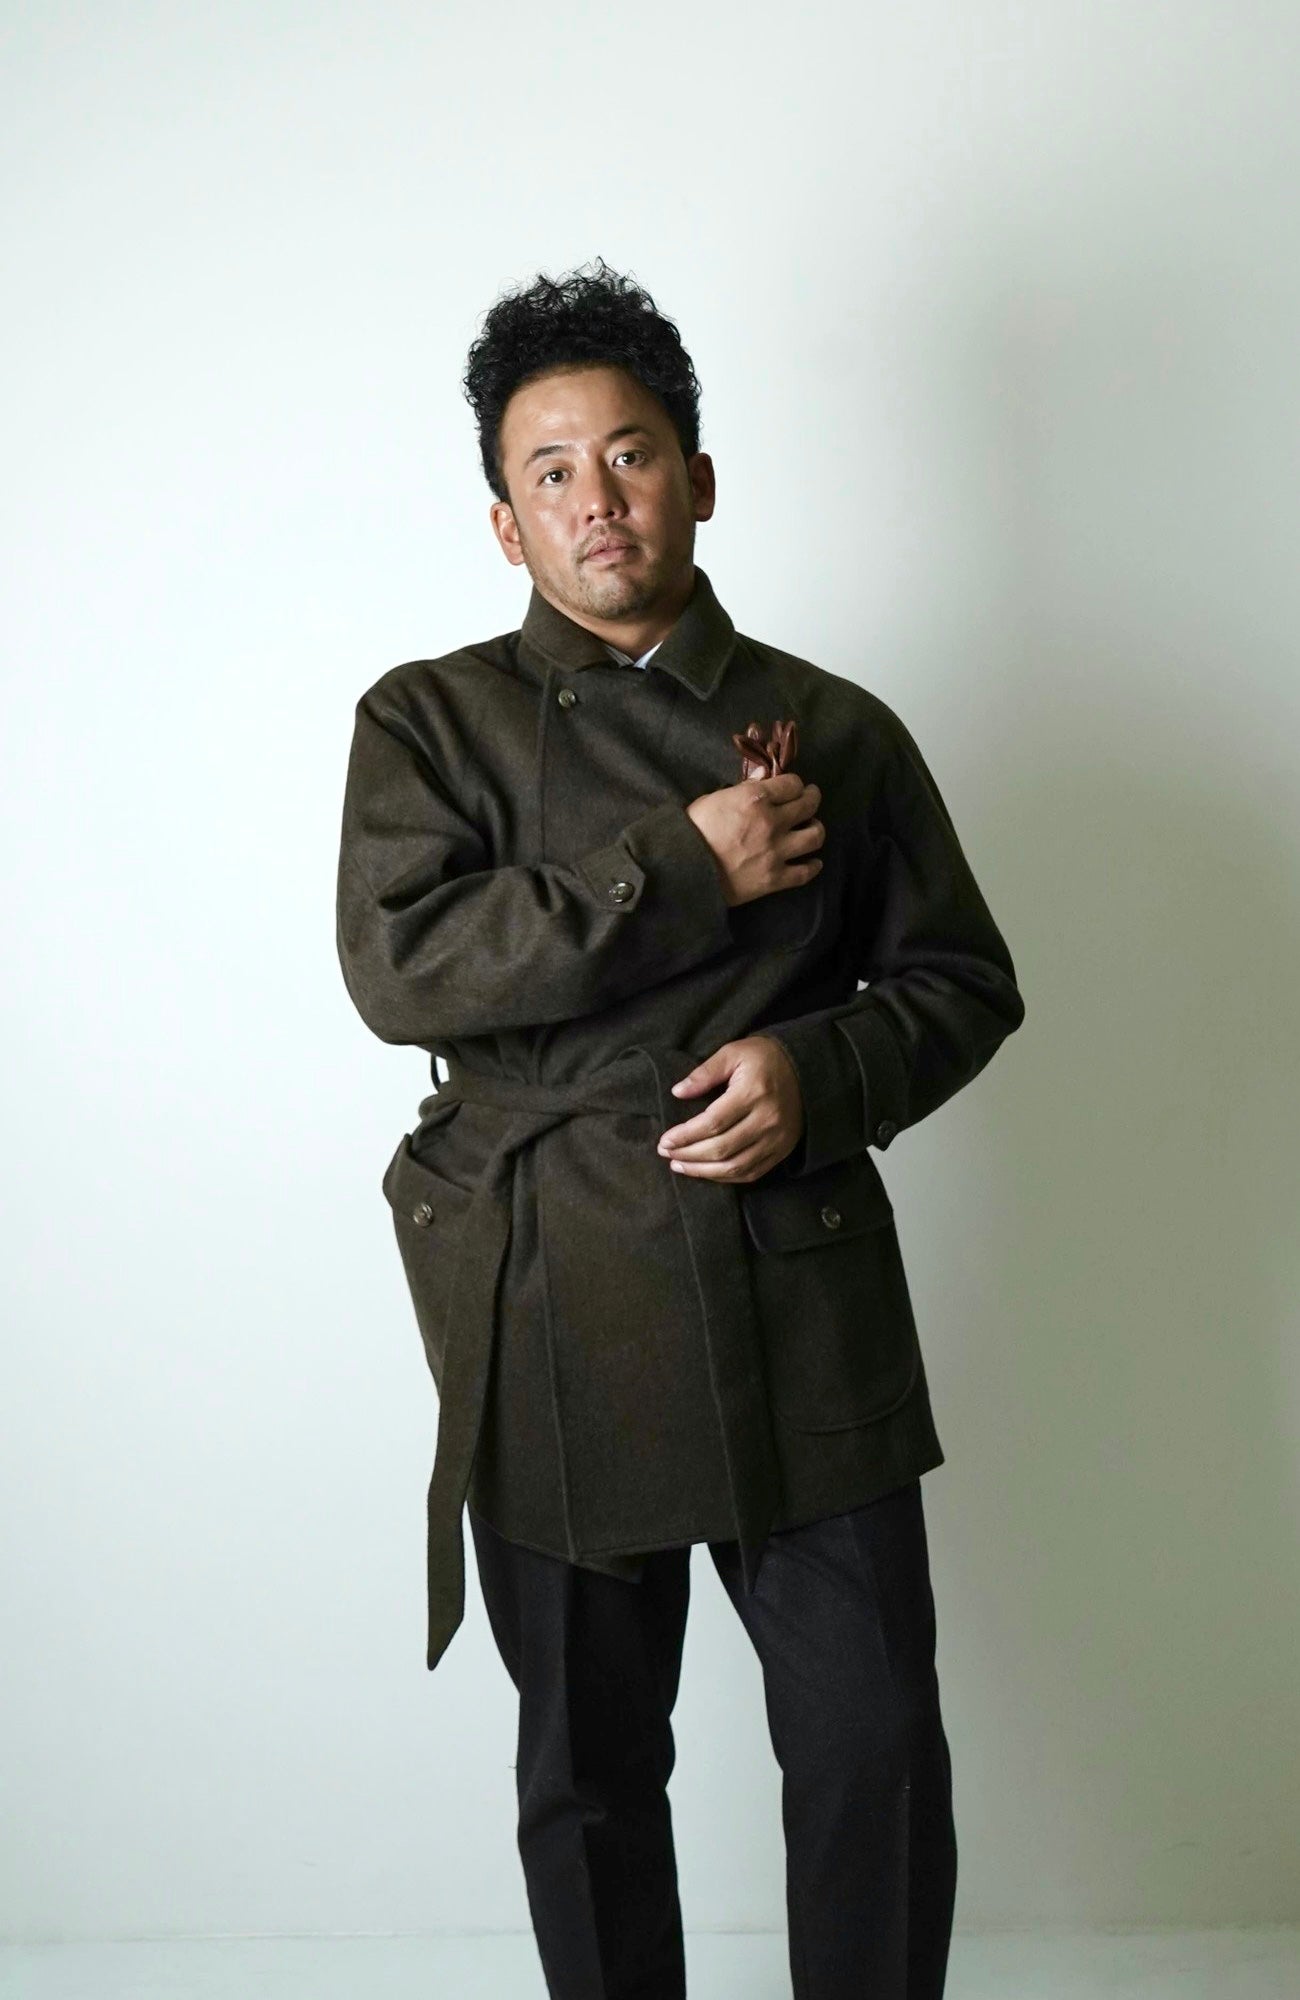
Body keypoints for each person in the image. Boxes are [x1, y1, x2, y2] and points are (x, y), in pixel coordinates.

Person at [334, 256, 1026, 2000]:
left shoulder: (839, 727)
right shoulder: (427, 721)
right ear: (506, 525)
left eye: (631, 455)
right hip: (552, 1282)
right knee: (587, 1771)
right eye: (552, 471)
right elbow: (404, 968)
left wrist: (819, 1073)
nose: (599, 500)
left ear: (699, 479)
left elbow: (961, 983)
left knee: (874, 1746)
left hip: (797, 1279)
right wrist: (682, 863)